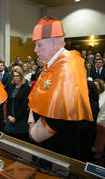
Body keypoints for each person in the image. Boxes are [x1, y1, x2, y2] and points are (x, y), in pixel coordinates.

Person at [27, 16, 94, 161]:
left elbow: (60, 115)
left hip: (57, 147)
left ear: (54, 43)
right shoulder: (52, 64)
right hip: (46, 140)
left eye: (39, 45)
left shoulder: (67, 66)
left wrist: (33, 133)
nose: (35, 50)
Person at [4, 68, 30, 142]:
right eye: (14, 76)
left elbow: (24, 106)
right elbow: (8, 102)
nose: (15, 78)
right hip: (10, 117)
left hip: (20, 118)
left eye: (17, 76)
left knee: (19, 141)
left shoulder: (26, 88)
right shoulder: (11, 86)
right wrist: (9, 115)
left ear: (21, 76)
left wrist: (15, 117)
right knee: (7, 140)